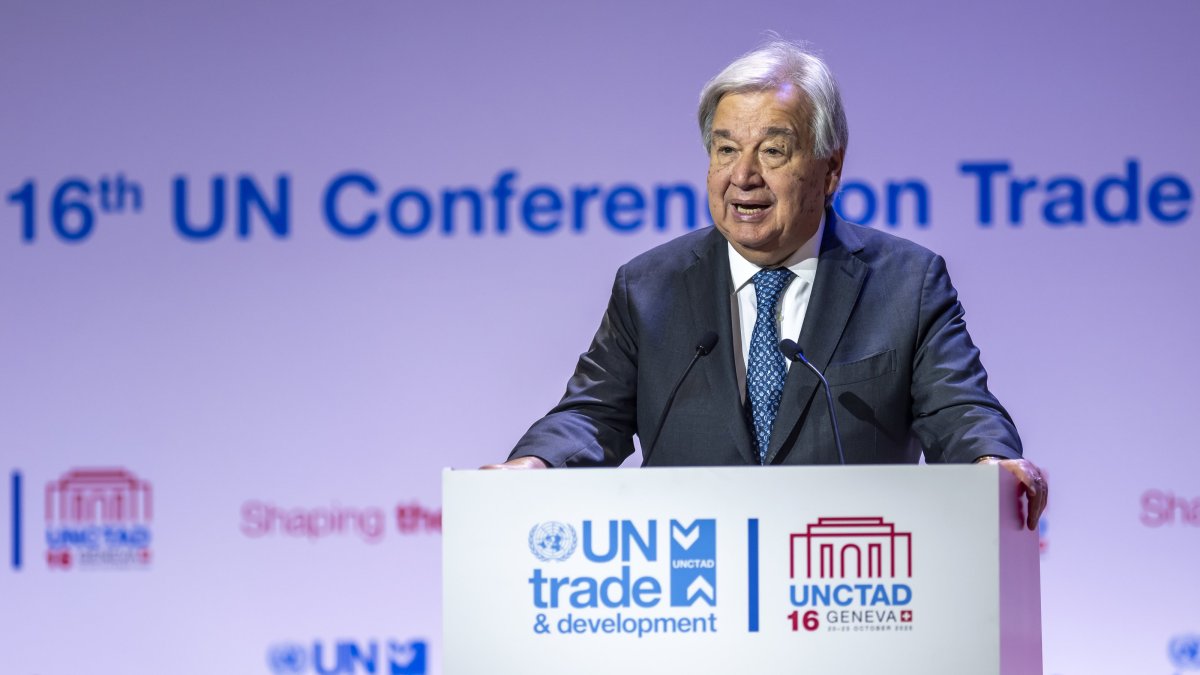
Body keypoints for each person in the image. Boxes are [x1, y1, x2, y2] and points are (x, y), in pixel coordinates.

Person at [484, 39, 1048, 530]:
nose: (743, 175)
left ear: (830, 170)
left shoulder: (905, 284)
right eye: (725, 149)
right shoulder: (649, 287)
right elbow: (592, 414)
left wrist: (989, 463)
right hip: (688, 595)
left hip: (849, 588)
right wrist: (535, 464)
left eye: (773, 150)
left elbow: (958, 408)